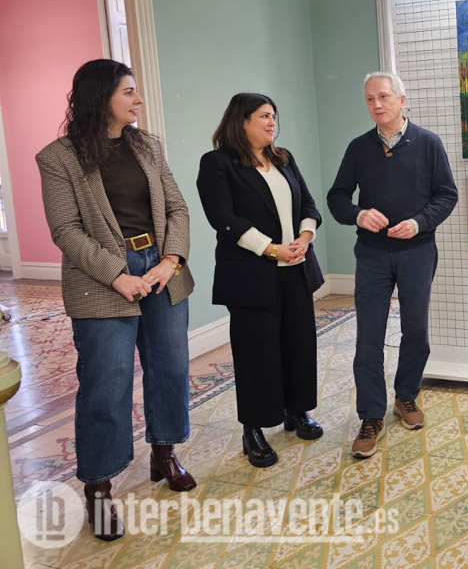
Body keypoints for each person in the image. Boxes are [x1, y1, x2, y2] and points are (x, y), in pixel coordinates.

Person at [36, 59, 196, 542]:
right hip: (102, 281)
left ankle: (164, 451)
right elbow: (65, 229)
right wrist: (116, 275)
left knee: (170, 366)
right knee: (106, 384)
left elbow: (176, 206)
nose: (137, 100)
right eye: (128, 91)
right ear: (100, 96)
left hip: (162, 269)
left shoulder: (147, 145)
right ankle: (99, 488)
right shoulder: (58, 158)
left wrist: (170, 261)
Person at [327, 71, 457, 459]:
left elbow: (447, 195)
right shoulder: (358, 148)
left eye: (383, 97)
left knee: (415, 330)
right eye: (369, 99)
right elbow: (337, 198)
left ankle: (406, 396)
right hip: (371, 255)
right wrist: (357, 213)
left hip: (417, 252)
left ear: (403, 100)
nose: (376, 105)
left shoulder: (429, 144)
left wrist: (419, 222)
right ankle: (370, 416)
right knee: (368, 336)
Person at [196, 93, 324, 468]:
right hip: (252, 276)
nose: (272, 123)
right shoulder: (218, 163)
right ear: (242, 121)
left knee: (298, 344)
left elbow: (309, 206)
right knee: (257, 354)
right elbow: (223, 217)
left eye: (274, 117)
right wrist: (272, 250)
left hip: (296, 270)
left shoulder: (284, 159)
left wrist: (303, 239)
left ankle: (296, 411)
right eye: (265, 117)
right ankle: (252, 429)